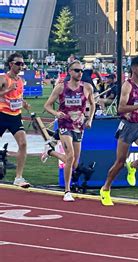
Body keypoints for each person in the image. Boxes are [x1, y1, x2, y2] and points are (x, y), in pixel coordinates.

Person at [99, 56, 138, 206]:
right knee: (119, 162)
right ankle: (105, 188)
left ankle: (133, 165)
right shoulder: (127, 85)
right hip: (127, 126)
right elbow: (120, 109)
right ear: (133, 68)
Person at [43, 60, 95, 201]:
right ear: (70, 72)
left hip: (79, 126)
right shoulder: (61, 87)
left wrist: (89, 119)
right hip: (65, 124)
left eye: (81, 71)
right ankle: (67, 190)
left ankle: (50, 152)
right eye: (77, 70)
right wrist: (56, 113)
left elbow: (93, 103)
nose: (80, 73)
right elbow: (47, 105)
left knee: (74, 163)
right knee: (70, 156)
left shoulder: (87, 87)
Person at [0, 53, 31, 188]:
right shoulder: (3, 78)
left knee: (23, 144)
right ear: (11, 64)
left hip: (15, 116)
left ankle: (18, 177)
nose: (21, 66)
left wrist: (23, 103)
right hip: (2, 114)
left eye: (22, 64)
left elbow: (17, 95)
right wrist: (7, 90)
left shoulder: (20, 80)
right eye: (18, 63)